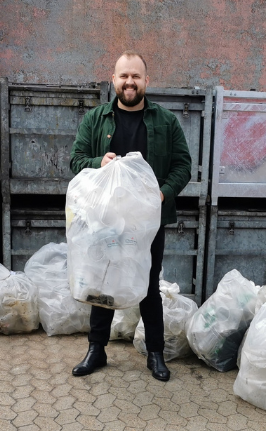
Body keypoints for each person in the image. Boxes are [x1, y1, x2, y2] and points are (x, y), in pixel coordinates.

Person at [69, 51, 192, 382]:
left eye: (136, 76)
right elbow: (76, 160)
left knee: (148, 284)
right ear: (114, 79)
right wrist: (99, 163)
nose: (129, 82)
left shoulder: (166, 122)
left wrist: (161, 193)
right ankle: (97, 350)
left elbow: (183, 165)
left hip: (146, 222)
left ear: (146, 81)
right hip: (104, 219)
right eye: (124, 76)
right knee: (101, 281)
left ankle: (155, 353)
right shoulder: (96, 119)